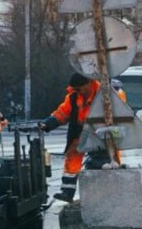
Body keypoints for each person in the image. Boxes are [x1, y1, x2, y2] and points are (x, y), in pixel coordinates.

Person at [41, 72, 118, 203]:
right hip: (80, 132)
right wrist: (47, 123)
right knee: (72, 156)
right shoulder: (73, 96)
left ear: (88, 83)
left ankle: (105, 185)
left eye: (79, 89)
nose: (78, 92)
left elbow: (118, 109)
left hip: (101, 133)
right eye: (76, 89)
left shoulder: (103, 93)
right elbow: (62, 113)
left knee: (103, 160)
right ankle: (67, 191)